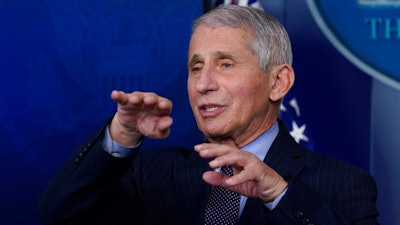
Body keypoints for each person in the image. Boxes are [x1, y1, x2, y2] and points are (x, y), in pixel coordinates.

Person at [36, 5, 379, 225]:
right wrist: (122, 135)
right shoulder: (151, 174)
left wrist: (278, 193)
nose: (203, 84)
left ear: (278, 82)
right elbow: (58, 214)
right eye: (195, 67)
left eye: (225, 64)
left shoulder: (342, 183)